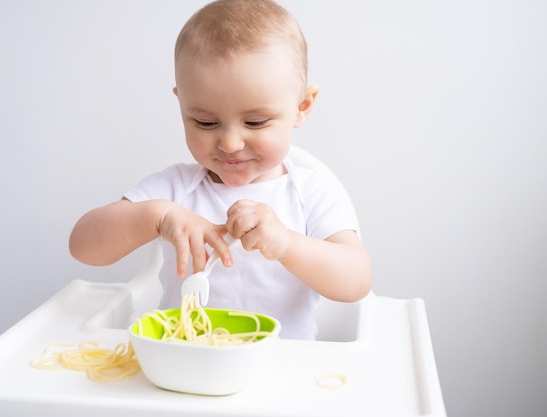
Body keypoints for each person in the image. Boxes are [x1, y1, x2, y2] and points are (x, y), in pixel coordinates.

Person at [69, 0, 372, 340]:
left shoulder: (311, 192)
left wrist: (286, 243)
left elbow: (357, 281)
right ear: (182, 104)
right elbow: (83, 247)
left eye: (255, 122)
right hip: (184, 360)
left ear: (301, 107)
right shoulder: (176, 189)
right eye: (206, 121)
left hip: (285, 368)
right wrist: (157, 216)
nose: (229, 143)